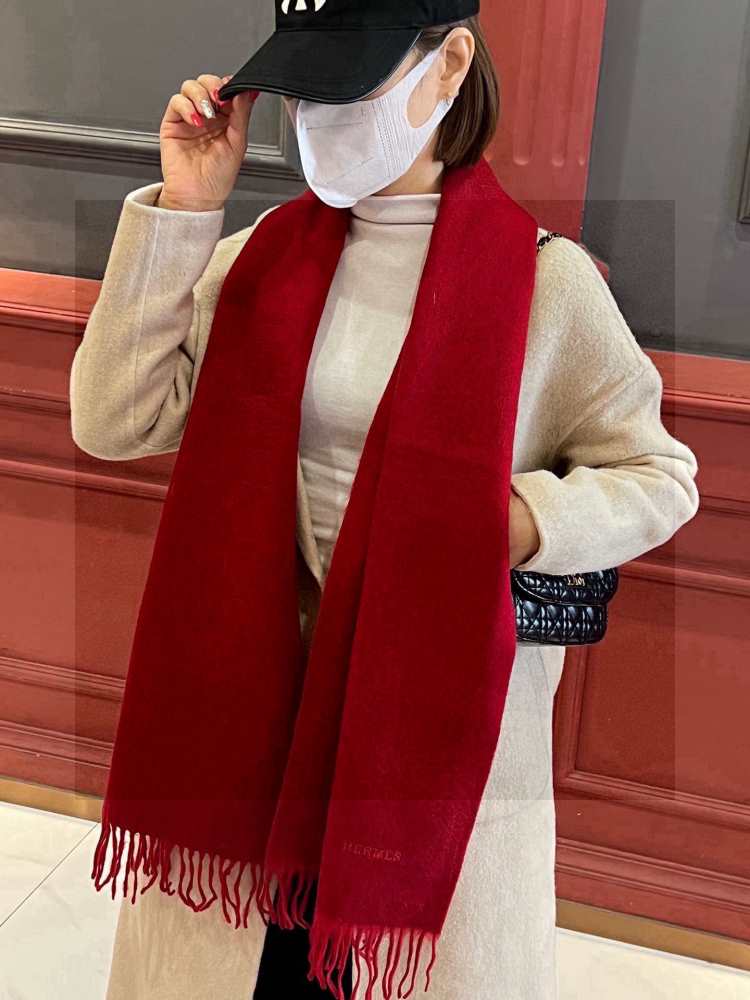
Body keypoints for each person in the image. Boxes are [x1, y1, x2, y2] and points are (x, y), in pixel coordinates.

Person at [69, 3, 700, 998]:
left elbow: (661, 476)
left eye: (346, 86)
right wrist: (186, 209)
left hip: (424, 736)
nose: (314, 119)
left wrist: (524, 521)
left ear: (449, 66)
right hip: (253, 716)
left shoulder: (546, 286)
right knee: (255, 973)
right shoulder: (263, 256)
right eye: (302, 92)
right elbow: (114, 419)